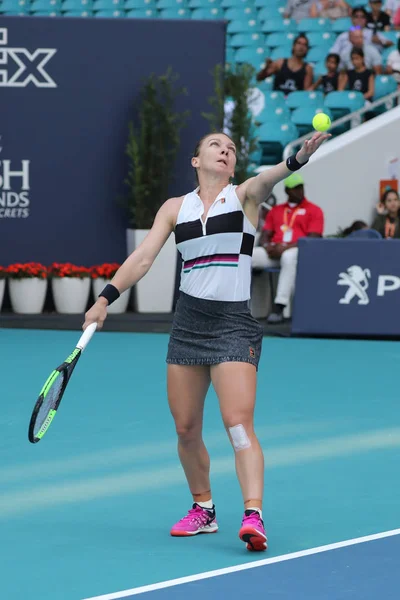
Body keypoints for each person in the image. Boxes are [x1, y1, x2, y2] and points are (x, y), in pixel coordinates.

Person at [82, 130, 329, 551]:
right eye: (216, 145)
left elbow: (266, 180)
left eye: (231, 148)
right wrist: (104, 299)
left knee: (237, 424)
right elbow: (143, 258)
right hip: (188, 323)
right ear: (196, 160)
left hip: (233, 323)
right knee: (186, 428)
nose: (226, 150)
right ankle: (204, 510)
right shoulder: (175, 209)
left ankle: (253, 515)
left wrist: (297, 160)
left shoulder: (244, 197)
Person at [252, 173, 324, 324]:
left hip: (299, 254)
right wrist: (267, 246)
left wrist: (285, 248)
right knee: (249, 255)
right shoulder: (276, 210)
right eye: (295, 188)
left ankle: (279, 306)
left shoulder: (314, 210)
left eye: (301, 187)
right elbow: (265, 234)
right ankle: (239, 306)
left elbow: (313, 238)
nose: (299, 191)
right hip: (275, 253)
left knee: (289, 256)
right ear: (287, 191)